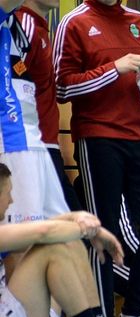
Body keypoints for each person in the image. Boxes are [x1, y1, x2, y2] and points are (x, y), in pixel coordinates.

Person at [54, 0, 140, 317]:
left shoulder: (138, 21)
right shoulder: (74, 22)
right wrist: (113, 69)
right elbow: (62, 87)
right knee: (102, 232)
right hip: (98, 138)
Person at [0, 163, 140, 317]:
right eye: (7, 193)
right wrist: (91, 231)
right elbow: (43, 231)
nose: (12, 201)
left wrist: (79, 219)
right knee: (52, 248)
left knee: (69, 241)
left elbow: (41, 226)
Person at [15, 0, 81, 211]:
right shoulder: (25, 24)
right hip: (31, 147)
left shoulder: (38, 26)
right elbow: (10, 80)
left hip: (45, 146)